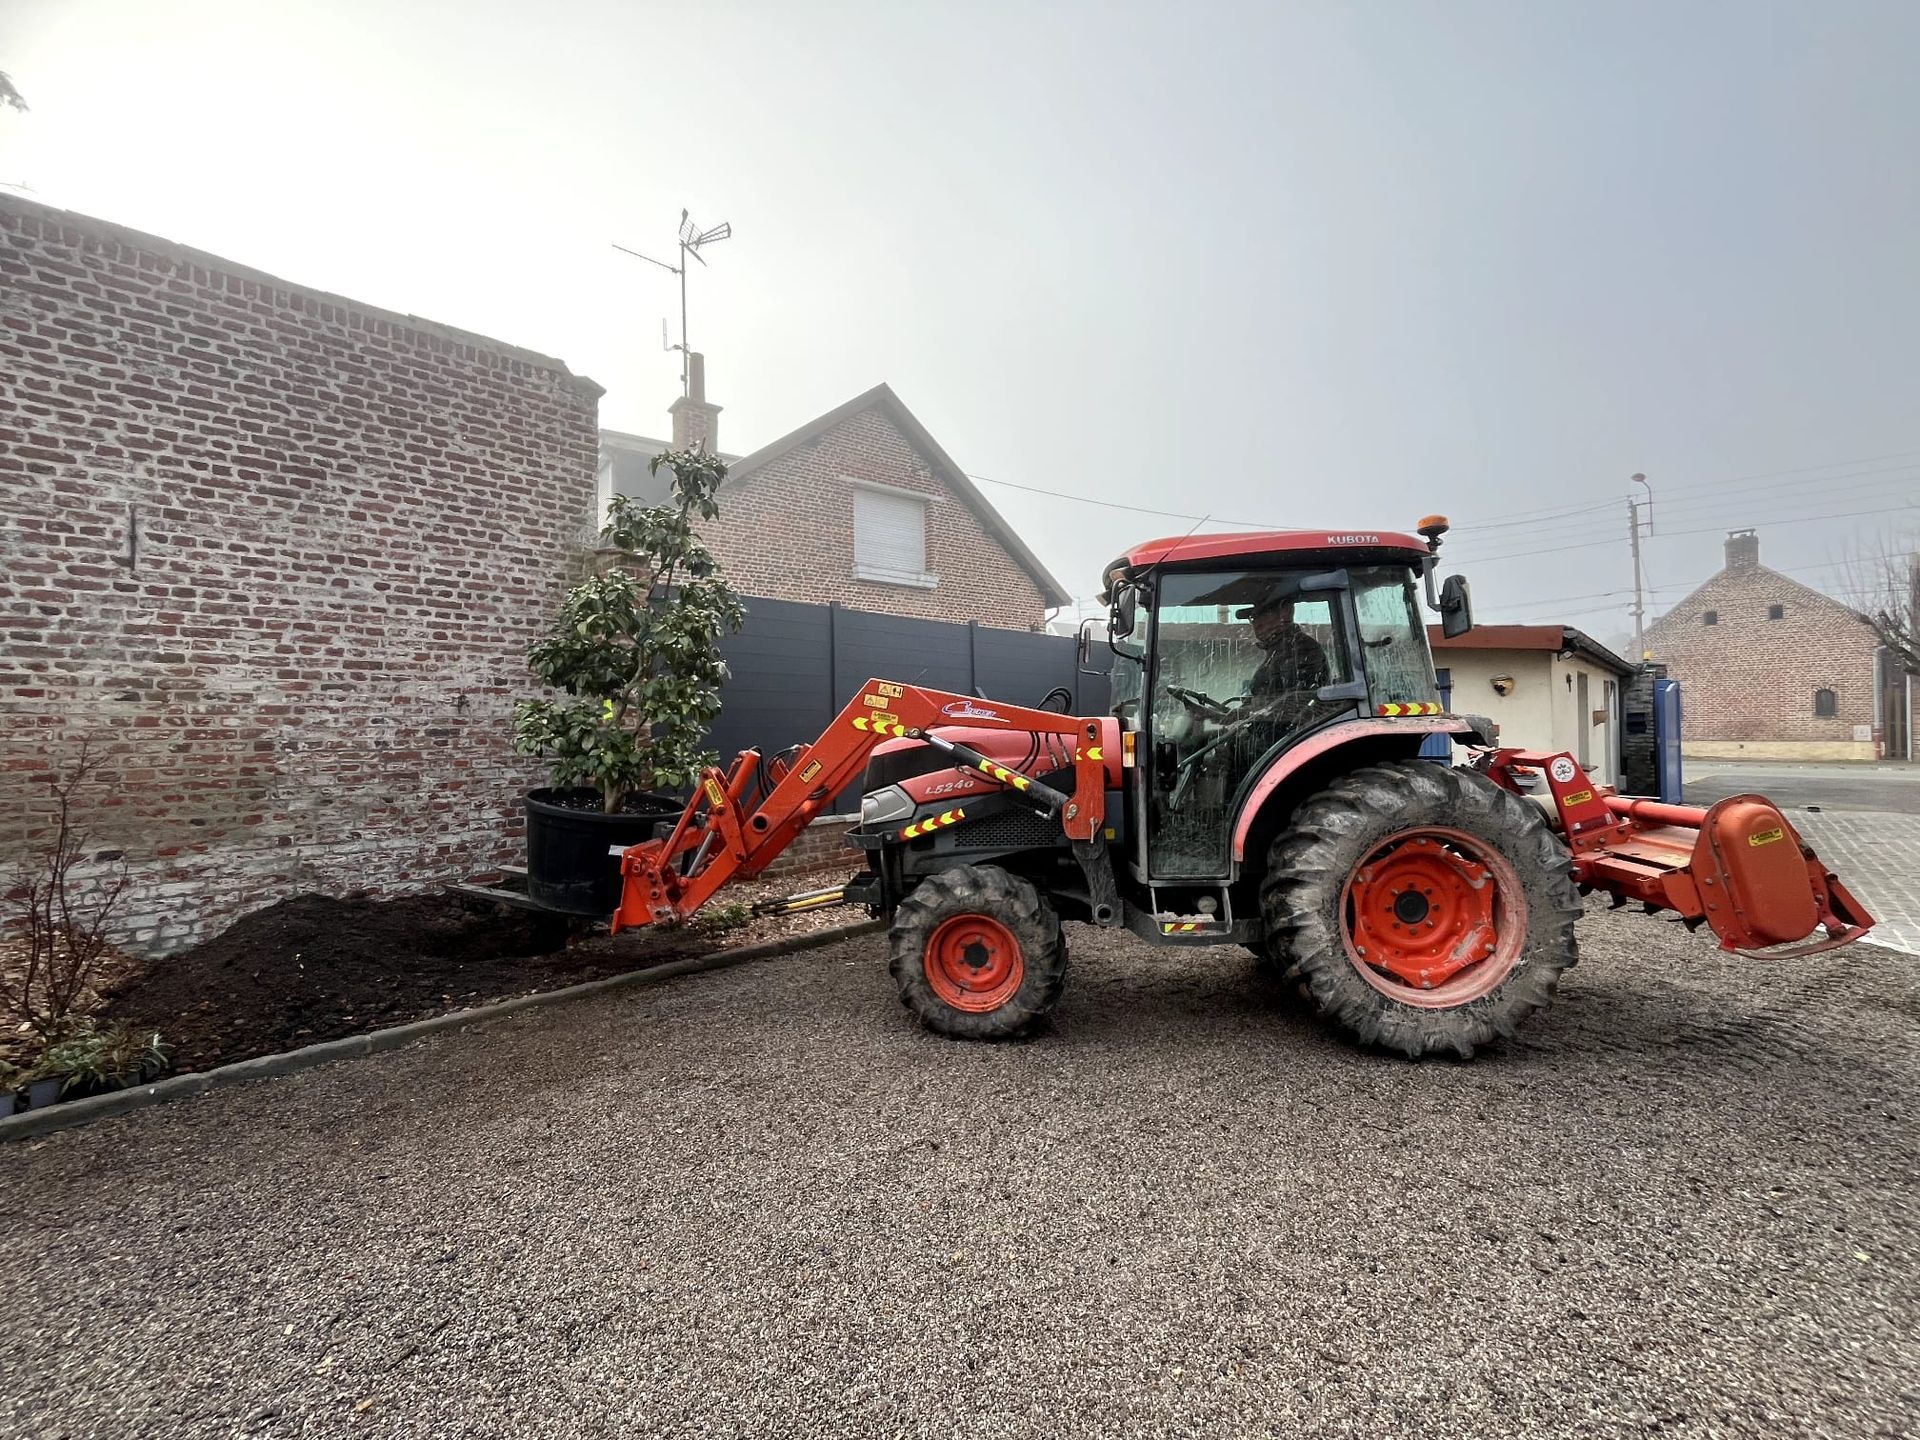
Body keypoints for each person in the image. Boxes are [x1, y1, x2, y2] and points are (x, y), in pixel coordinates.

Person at [1239, 590, 1330, 721]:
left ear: (1286, 613)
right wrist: (1236, 714)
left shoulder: (1302, 649)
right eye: (1252, 617)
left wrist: (1247, 713)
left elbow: (1294, 703)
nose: (1256, 623)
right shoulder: (1279, 648)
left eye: (1262, 614)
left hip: (1293, 729)